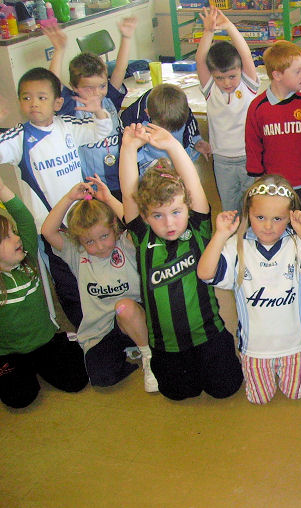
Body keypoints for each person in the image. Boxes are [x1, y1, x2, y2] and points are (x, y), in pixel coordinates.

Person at [119, 122, 242, 401]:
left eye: (176, 212)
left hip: (208, 336)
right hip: (166, 345)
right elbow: (128, 194)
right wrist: (128, 148)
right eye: (158, 215)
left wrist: (173, 146)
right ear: (146, 216)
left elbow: (193, 183)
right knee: (177, 394)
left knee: (226, 389)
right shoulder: (142, 237)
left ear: (187, 206)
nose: (169, 223)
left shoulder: (197, 228)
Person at [197, 175, 301, 404]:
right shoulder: (236, 246)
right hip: (255, 348)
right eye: (260, 217)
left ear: (290, 217)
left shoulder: (296, 243)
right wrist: (219, 234)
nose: (268, 226)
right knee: (260, 399)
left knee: (296, 393)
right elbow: (205, 274)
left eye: (278, 218)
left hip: (295, 345)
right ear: (248, 213)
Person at [0, 67, 112, 328]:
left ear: (57, 103)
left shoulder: (68, 125)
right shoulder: (19, 137)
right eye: (26, 98)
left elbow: (101, 130)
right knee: (65, 279)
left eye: (41, 97)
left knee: (91, 267)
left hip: (81, 219)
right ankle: (81, 326)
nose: (34, 104)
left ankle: (103, 315)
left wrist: (98, 109)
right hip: (47, 226)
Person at [41, 176, 156, 391]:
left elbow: (141, 225)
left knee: (124, 307)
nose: (100, 246)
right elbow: (48, 231)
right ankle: (131, 346)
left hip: (135, 315)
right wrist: (68, 198)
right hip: (101, 329)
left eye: (104, 236)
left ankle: (147, 354)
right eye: (90, 241)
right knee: (102, 378)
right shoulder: (77, 253)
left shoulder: (126, 243)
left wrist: (109, 198)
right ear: (80, 241)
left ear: (114, 227)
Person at [0, 175, 88, 408]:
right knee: (19, 399)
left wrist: (1, 187)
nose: (17, 237)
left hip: (45, 342)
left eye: (14, 233)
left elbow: (25, 220)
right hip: (10, 353)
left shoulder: (27, 257)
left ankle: (64, 342)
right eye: (7, 237)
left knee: (77, 380)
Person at [245, 40, 301, 253]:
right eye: (298, 71)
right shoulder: (258, 108)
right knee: (281, 227)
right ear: (277, 75)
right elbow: (253, 144)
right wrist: (258, 178)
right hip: (276, 186)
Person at [44, 17, 138, 199]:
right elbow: (52, 83)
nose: (97, 92)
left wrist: (126, 38)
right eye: (89, 88)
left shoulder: (109, 97)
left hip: (120, 177)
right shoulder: (71, 105)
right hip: (92, 184)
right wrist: (59, 50)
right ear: (73, 86)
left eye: (102, 85)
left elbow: (120, 69)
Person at [195, 6, 260, 214]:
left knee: (253, 207)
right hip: (222, 161)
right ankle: (232, 242)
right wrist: (209, 32)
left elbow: (245, 53)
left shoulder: (248, 85)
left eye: (232, 76)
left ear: (240, 70)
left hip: (250, 158)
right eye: (220, 78)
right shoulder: (211, 90)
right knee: (229, 209)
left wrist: (229, 26)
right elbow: (200, 60)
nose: (227, 83)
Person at [120, 84, 211, 172]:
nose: (166, 136)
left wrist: (196, 141)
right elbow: (130, 157)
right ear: (147, 113)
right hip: (150, 169)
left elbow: (191, 127)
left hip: (177, 162)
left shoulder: (181, 109)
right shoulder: (135, 121)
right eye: (162, 130)